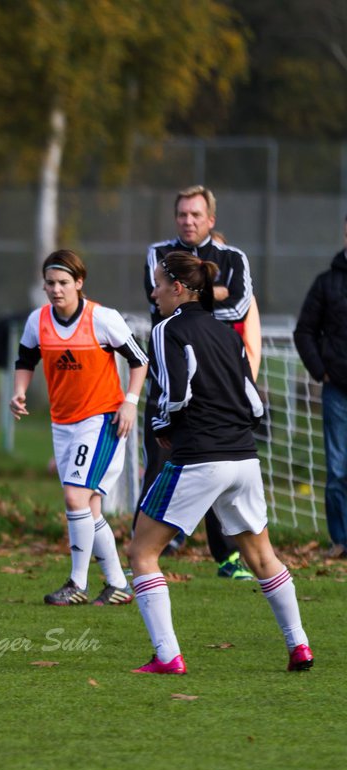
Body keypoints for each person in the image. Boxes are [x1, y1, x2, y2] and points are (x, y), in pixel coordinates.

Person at [128, 251, 313, 674]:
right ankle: (299, 646)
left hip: (199, 456)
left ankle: (168, 656)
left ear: (177, 287)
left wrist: (162, 424)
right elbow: (253, 401)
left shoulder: (166, 330)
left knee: (142, 552)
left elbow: (175, 395)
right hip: (244, 457)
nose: (153, 292)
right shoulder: (226, 332)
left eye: (158, 284)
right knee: (263, 557)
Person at [10, 250, 148, 607]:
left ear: (79, 283)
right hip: (63, 424)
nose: (56, 290)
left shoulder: (102, 318)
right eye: (51, 283)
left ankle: (77, 583)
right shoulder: (37, 321)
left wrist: (130, 402)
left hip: (102, 419)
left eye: (63, 283)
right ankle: (117, 585)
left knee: (74, 497)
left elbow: (139, 360)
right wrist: (20, 392)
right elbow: (26, 358)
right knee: (91, 507)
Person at [140, 185, 255, 580]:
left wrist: (199, 293)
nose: (188, 221)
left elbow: (240, 303)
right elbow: (157, 299)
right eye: (182, 214)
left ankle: (226, 556)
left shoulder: (232, 256)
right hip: (169, 372)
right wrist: (212, 290)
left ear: (211, 219)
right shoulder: (159, 255)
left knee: (214, 464)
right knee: (158, 459)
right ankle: (154, 543)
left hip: (216, 379)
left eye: (195, 214)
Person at [293, 215, 347, 559]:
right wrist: (321, 371)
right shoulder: (327, 283)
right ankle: (341, 541)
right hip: (337, 391)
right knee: (339, 469)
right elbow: (304, 332)